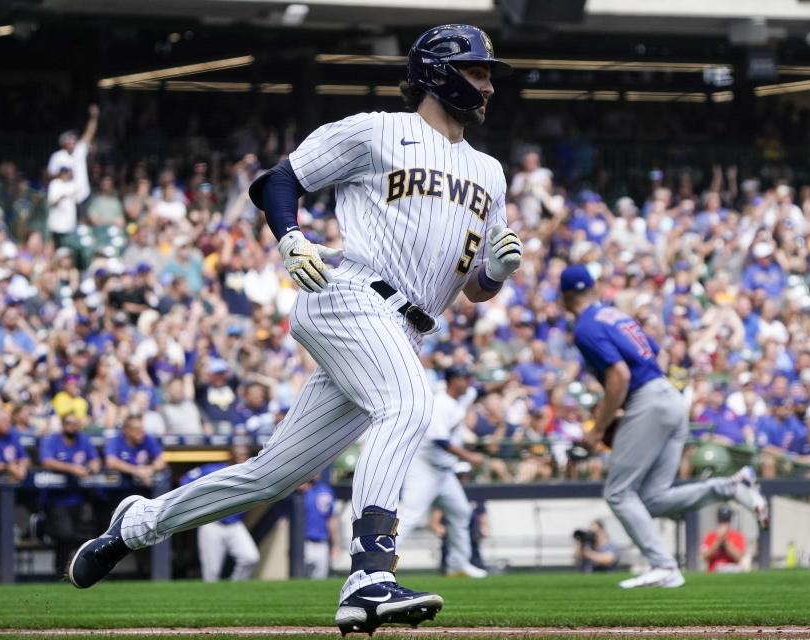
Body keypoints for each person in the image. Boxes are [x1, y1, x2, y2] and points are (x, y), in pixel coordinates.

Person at [67, 24, 522, 637]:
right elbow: (279, 181)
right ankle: (370, 574)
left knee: (271, 476)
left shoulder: (490, 173)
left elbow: (473, 289)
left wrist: (493, 273)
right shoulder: (377, 130)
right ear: (438, 73)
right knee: (411, 403)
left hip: (404, 328)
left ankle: (137, 525)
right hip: (347, 297)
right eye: (477, 70)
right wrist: (290, 238)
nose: (488, 82)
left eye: (487, 71)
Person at [558, 265, 767, 589]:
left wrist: (599, 429)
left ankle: (663, 565)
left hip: (648, 399)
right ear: (595, 288)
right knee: (652, 499)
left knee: (618, 492)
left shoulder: (584, 326)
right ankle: (732, 487)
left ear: (564, 297)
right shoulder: (615, 315)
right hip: (669, 396)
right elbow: (658, 353)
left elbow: (620, 376)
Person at [396, 365, 487, 579]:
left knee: (461, 512)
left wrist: (507, 381)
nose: (469, 382)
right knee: (409, 515)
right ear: (454, 380)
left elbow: (481, 391)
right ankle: (378, 564)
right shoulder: (439, 403)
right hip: (423, 468)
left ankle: (457, 565)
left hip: (444, 472)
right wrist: (470, 457)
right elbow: (439, 440)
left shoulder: (461, 398)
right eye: (465, 378)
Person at [180, 445, 260, 582]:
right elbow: (185, 480)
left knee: (250, 557)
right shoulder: (214, 469)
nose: (242, 457)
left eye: (245, 454)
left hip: (235, 524)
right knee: (211, 573)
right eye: (239, 454)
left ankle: (234, 590)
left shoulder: (251, 474)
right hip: (212, 523)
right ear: (230, 455)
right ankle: (209, 602)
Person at [39, 412, 101, 575]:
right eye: (68, 423)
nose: (71, 426)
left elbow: (95, 459)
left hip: (78, 498)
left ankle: (63, 571)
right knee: (65, 534)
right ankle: (41, 527)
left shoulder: (83, 440)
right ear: (62, 424)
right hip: (56, 499)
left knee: (74, 536)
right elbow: (47, 461)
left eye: (74, 423)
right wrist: (72, 468)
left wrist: (93, 466)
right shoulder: (52, 440)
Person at [47, 104, 99, 204]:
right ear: (63, 142)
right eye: (69, 139)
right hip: (66, 197)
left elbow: (89, 132)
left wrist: (94, 117)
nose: (73, 141)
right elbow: (50, 174)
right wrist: (64, 174)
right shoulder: (57, 156)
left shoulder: (80, 150)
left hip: (84, 194)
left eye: (74, 139)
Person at [103, 414, 167, 487]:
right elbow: (111, 462)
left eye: (142, 429)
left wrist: (150, 469)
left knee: (164, 477)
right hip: (122, 485)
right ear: (126, 430)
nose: (140, 433)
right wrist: (136, 471)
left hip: (144, 483)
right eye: (136, 429)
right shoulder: (116, 440)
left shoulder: (147, 438)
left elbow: (161, 461)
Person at [302, 476, 338, 580]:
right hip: (303, 543)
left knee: (319, 582)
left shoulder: (326, 491)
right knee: (299, 581)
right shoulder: (299, 491)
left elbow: (331, 519)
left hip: (322, 543)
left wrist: (335, 544)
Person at [701, 505, 747, 573]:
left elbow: (738, 557)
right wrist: (718, 541)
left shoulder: (738, 536)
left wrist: (725, 541)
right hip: (714, 571)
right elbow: (705, 557)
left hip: (732, 572)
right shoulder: (710, 536)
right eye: (722, 521)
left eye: (726, 521)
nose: (724, 524)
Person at [0, 406, 30, 482]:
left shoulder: (13, 435)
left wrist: (22, 466)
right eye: (4, 421)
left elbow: (25, 457)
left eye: (9, 421)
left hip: (15, 477)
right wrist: (8, 467)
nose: (8, 424)